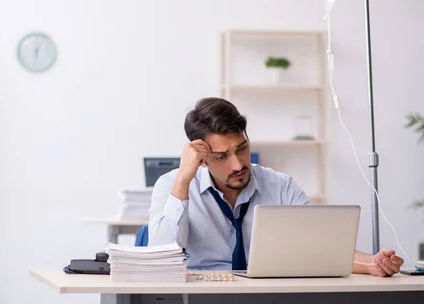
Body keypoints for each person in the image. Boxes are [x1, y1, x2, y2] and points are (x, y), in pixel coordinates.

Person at [148, 97, 404, 277]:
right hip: (202, 296)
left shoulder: (281, 187)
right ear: (201, 159)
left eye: (242, 149)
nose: (238, 164)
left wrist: (371, 262)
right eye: (222, 156)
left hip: (268, 294)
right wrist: (183, 180)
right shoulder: (172, 185)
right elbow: (159, 258)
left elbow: (319, 247)